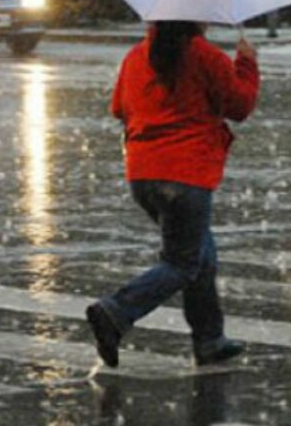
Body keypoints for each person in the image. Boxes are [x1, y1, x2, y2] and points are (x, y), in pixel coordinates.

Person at [86, 20, 260, 367]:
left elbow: (119, 108)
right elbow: (239, 106)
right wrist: (247, 64)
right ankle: (118, 310)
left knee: (201, 256)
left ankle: (210, 339)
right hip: (186, 174)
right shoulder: (204, 56)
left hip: (143, 174)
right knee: (182, 262)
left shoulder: (136, 56)